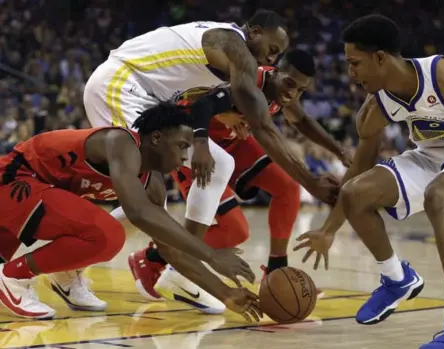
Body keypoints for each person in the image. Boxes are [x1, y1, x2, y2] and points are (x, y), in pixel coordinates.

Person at [81, 9, 340, 313]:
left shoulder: (239, 59)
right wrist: (309, 180)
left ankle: (180, 269)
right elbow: (261, 126)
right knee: (150, 204)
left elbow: (274, 119)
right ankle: (70, 265)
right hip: (122, 84)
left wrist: (340, 153)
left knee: (220, 164)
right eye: (272, 49)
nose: (272, 58)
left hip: (150, 100)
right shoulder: (236, 49)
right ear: (254, 31)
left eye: (278, 54)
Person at [0, 101, 261, 322]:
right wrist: (212, 255)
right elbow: (138, 212)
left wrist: (225, 293)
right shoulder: (121, 141)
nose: (186, 156)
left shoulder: (152, 183)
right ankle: (14, 277)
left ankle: (65, 274)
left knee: (104, 230)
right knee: (107, 234)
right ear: (156, 138)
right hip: (14, 179)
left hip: (36, 194)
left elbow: (170, 250)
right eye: (182, 145)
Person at [294, 15, 444, 348]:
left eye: (355, 63)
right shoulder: (376, 109)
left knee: (437, 197)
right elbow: (358, 168)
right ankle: (396, 279)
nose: (350, 73)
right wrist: (328, 230)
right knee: (356, 194)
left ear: (381, 58)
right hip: (430, 158)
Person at [129, 49, 350, 303]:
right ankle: (154, 257)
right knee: (234, 231)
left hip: (234, 144)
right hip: (197, 144)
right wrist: (222, 113)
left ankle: (277, 271)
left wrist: (338, 149)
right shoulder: (246, 79)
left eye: (300, 90)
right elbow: (197, 104)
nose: (293, 93)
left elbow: (302, 121)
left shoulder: (285, 92)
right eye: (290, 84)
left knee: (288, 186)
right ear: (275, 71)